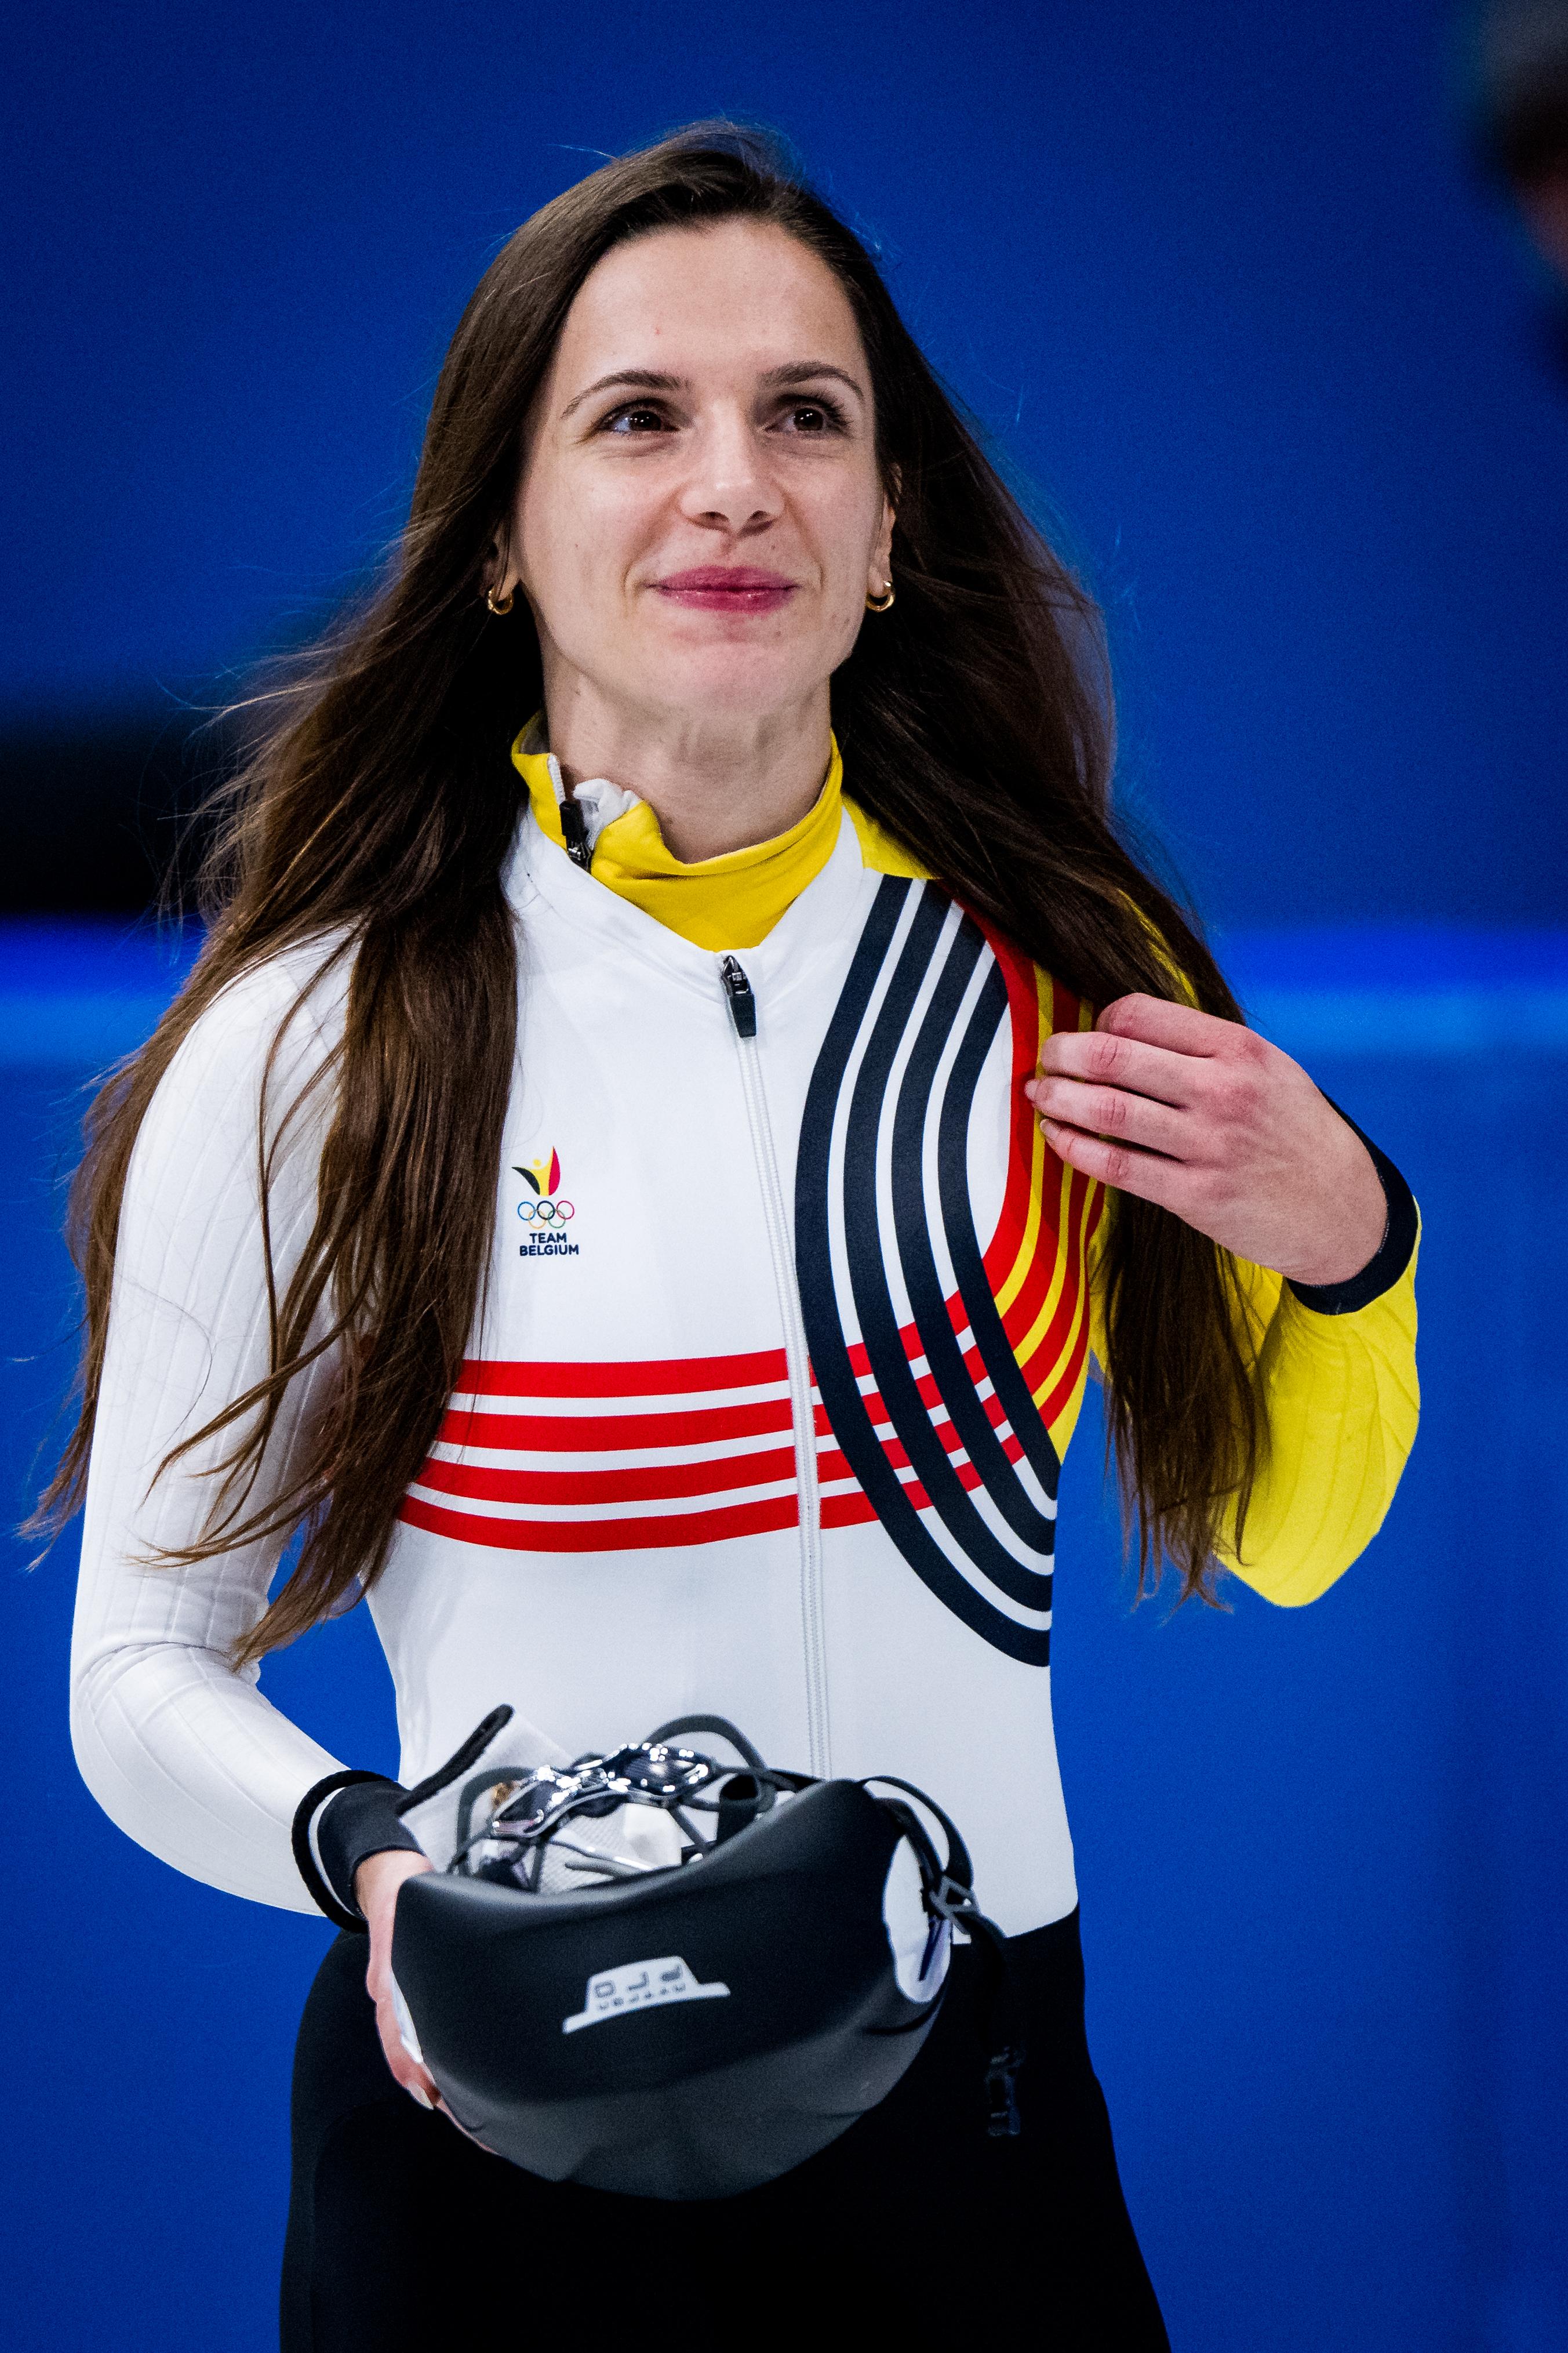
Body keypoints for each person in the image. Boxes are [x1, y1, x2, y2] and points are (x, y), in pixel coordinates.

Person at [51, 126, 1419, 2348]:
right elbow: (137, 1672)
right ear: (502, 532)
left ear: (888, 529)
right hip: (474, 2121)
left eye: (806, 414)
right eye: (635, 418)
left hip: (967, 2115)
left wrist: (1351, 1243)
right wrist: (373, 1873)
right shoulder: (318, 1032)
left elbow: (1281, 1526)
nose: (731, 482)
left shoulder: (1069, 970)